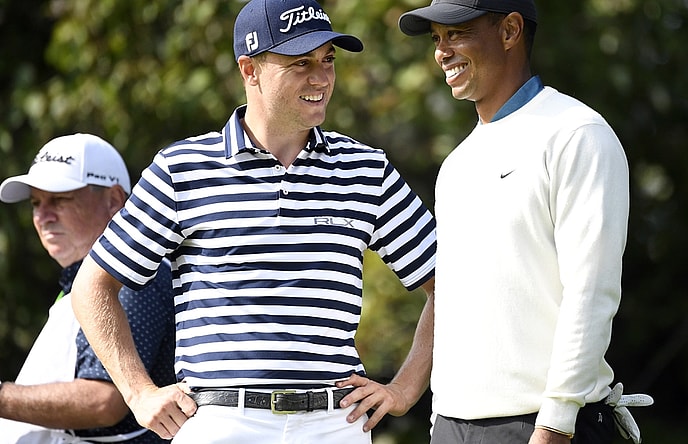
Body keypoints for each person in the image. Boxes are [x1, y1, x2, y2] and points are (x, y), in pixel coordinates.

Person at [68, 0, 437, 443]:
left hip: (334, 424)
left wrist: (405, 389)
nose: (321, 78)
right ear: (250, 69)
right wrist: (138, 392)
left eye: (328, 60)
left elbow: (448, 284)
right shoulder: (182, 168)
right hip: (223, 422)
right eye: (300, 63)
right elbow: (92, 287)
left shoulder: (365, 169)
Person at [398, 1, 651, 443]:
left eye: (457, 33)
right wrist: (440, 421)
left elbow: (591, 292)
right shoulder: (456, 164)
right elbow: (455, 302)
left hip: (547, 427)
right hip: (454, 428)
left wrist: (556, 422)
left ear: (510, 31)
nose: (442, 52)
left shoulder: (577, 134)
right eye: (437, 39)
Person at [0, 133, 176, 443]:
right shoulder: (75, 286)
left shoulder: (133, 276)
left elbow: (103, 400)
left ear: (114, 200)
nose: (43, 216)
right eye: (36, 203)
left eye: (60, 199)